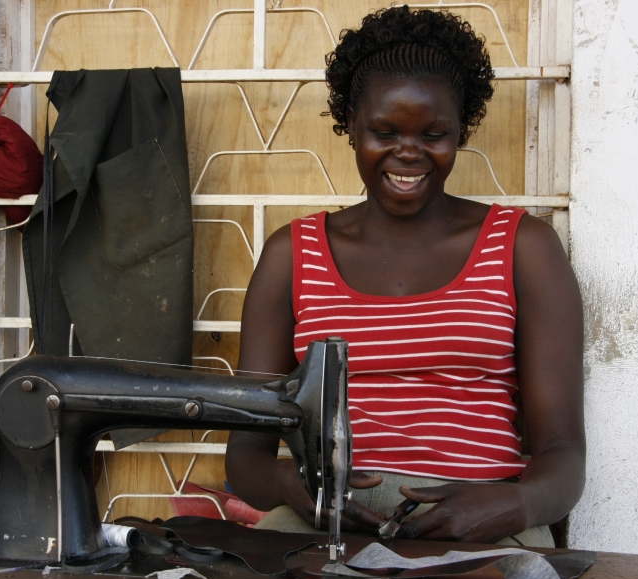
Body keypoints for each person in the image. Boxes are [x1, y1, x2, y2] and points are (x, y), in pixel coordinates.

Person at [225, 5, 584, 547]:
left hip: (483, 510)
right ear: (350, 124)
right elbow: (245, 458)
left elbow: (563, 453)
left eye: (434, 132)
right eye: (384, 131)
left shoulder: (523, 248)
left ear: (461, 127)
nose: (408, 153)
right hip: (327, 515)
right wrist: (291, 487)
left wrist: (518, 503)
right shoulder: (291, 256)